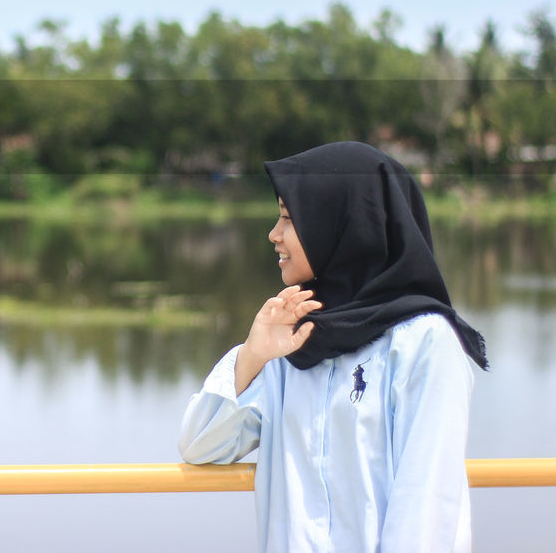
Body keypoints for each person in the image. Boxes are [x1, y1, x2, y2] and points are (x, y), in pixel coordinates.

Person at [178, 141, 487, 553]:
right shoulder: (293, 341)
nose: (274, 234)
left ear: (341, 224)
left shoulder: (424, 343)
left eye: (289, 218)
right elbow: (201, 445)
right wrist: (252, 355)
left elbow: (426, 509)